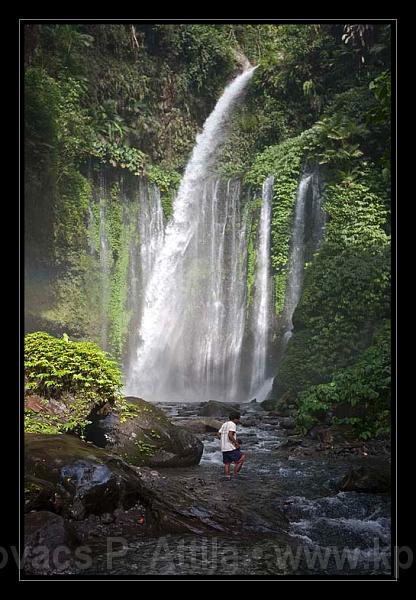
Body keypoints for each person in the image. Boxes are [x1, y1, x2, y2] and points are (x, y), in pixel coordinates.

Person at [217, 413, 246, 480]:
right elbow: (230, 435)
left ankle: (227, 476)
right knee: (241, 458)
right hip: (230, 447)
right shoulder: (232, 424)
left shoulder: (225, 424)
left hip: (224, 447)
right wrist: (236, 443)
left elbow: (218, 434)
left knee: (227, 463)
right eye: (238, 419)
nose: (239, 421)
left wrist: (223, 440)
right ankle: (236, 474)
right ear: (235, 419)